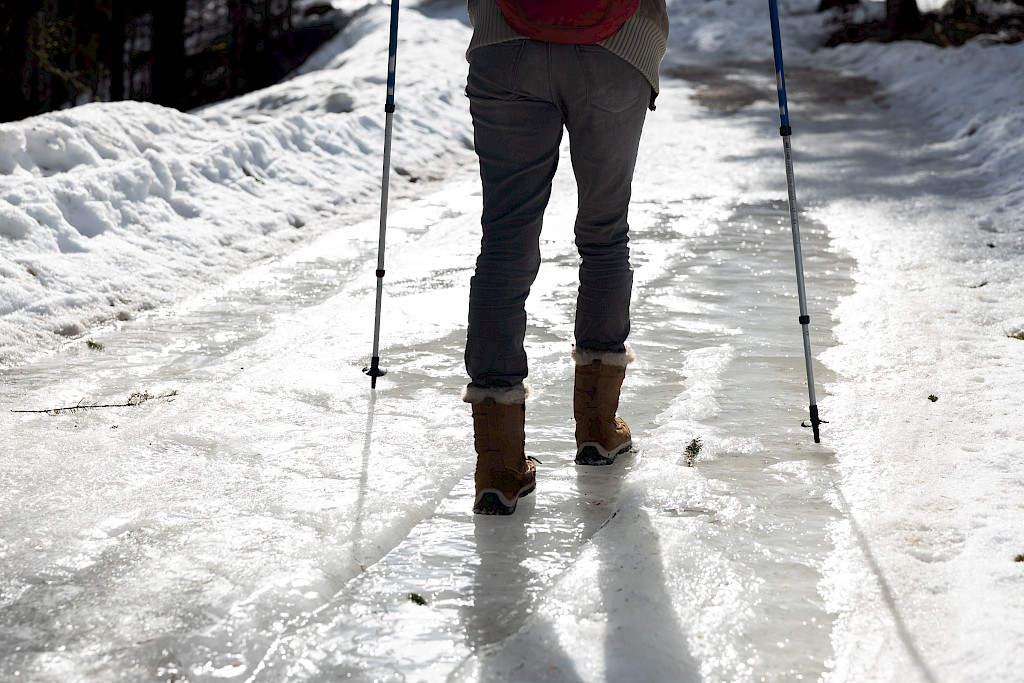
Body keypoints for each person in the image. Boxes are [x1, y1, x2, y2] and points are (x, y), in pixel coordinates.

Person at [462, 0, 670, 515]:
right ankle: (598, 429)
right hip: (618, 48)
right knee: (604, 233)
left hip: (505, 41)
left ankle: (499, 463)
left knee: (505, 239)